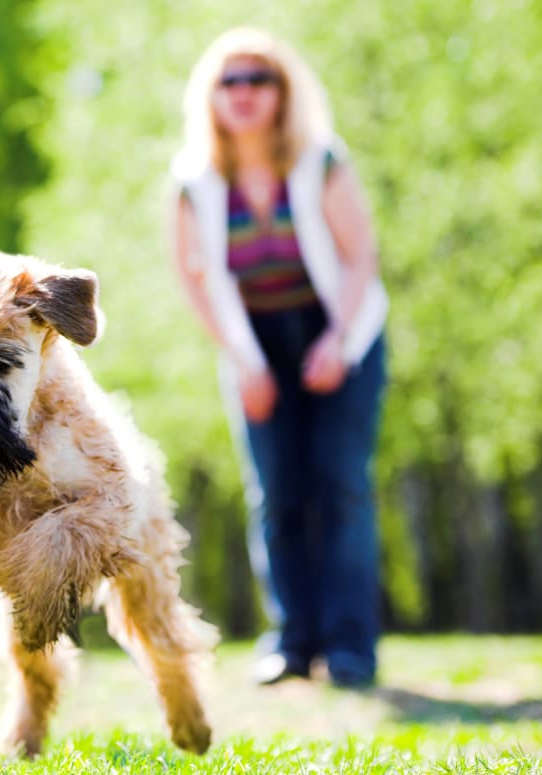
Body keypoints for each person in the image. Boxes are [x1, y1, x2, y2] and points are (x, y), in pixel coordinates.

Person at [171, 27, 388, 688]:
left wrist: (336, 342)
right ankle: (291, 641)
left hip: (339, 332)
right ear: (211, 96)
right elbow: (195, 279)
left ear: (282, 92)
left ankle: (350, 648)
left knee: (341, 488)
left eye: (257, 80)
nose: (242, 93)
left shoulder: (320, 159)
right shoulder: (194, 180)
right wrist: (244, 362)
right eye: (228, 81)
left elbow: (360, 259)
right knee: (277, 493)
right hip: (253, 344)